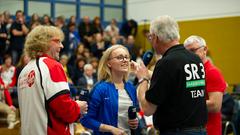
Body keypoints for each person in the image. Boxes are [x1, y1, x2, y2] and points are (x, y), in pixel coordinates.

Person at [135, 15, 208, 135]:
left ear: (156, 38)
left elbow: (147, 109)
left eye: (150, 37)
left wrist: (142, 79)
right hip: (199, 129)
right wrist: (149, 74)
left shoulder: (166, 63)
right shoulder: (195, 59)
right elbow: (177, 83)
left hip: (177, 131)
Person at [17, 25, 88, 135]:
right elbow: (65, 109)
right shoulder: (52, 65)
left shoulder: (24, 71)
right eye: (58, 41)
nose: (62, 46)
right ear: (44, 42)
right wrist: (78, 107)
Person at [80, 45, 139, 135]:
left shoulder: (131, 88)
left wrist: (135, 122)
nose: (125, 60)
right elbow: (86, 120)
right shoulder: (100, 88)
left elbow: (131, 114)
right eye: (119, 57)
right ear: (109, 63)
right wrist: (111, 129)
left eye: (126, 57)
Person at [184, 35, 227, 135]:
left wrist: (185, 103)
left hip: (210, 130)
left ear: (205, 49)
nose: (190, 55)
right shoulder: (189, 73)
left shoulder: (212, 72)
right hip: (192, 129)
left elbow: (215, 105)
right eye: (187, 52)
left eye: (193, 50)